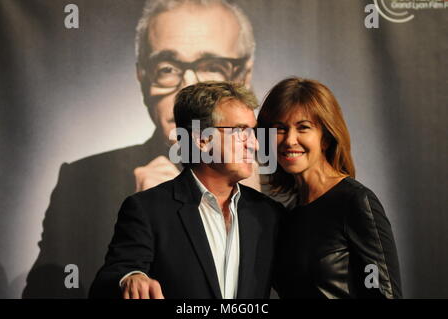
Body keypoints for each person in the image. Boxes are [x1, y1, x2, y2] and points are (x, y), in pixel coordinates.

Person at [23, 0, 258, 298]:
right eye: (167, 68)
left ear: (244, 75)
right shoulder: (84, 181)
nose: (188, 87)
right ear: (142, 76)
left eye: (212, 67)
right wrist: (131, 275)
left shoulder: (276, 194)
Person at [89, 81, 283, 299]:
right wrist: (131, 278)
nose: (255, 145)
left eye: (253, 132)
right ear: (201, 139)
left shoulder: (268, 214)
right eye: (240, 132)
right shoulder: (147, 209)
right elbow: (110, 280)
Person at [257, 77, 402, 298]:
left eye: (303, 127)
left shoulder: (354, 202)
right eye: (280, 129)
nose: (289, 140)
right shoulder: (287, 215)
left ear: (325, 137)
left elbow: (382, 292)